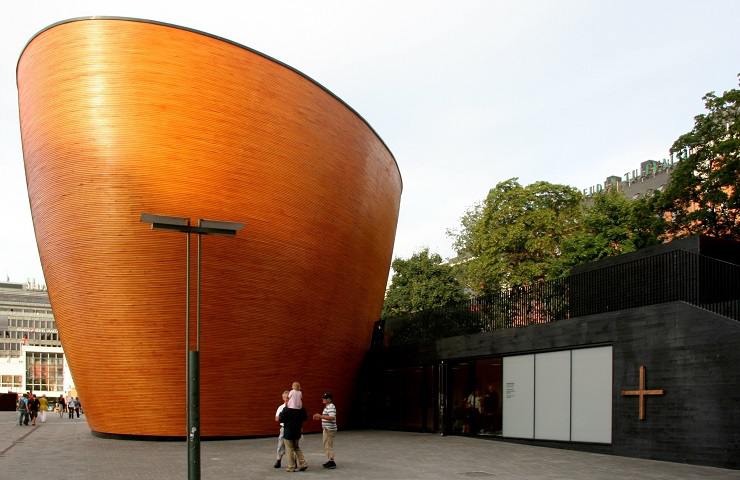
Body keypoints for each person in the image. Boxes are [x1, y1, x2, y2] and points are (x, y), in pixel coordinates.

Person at [279, 402, 308, 472]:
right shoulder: (301, 408)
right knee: (296, 448)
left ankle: (291, 467)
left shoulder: (287, 409)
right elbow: (305, 418)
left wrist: (285, 408)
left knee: (289, 449)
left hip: (288, 432)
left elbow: (281, 419)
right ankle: (303, 463)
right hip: (297, 431)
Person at [313, 392, 337, 469]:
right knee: (327, 444)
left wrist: (320, 416)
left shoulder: (331, 406)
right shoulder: (328, 406)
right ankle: (330, 460)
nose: (323, 399)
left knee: (328, 445)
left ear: (329, 399)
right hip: (327, 429)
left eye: (325, 398)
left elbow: (332, 417)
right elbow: (327, 416)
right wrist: (321, 417)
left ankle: (332, 462)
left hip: (329, 430)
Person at [273, 390, 290, 468]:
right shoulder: (281, 407)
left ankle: (294, 461)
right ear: (283, 398)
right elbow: (277, 418)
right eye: (285, 397)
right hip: (283, 428)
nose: (286, 399)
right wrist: (282, 417)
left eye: (288, 397)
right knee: (280, 445)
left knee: (292, 445)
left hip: (291, 427)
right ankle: (278, 460)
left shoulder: (294, 406)